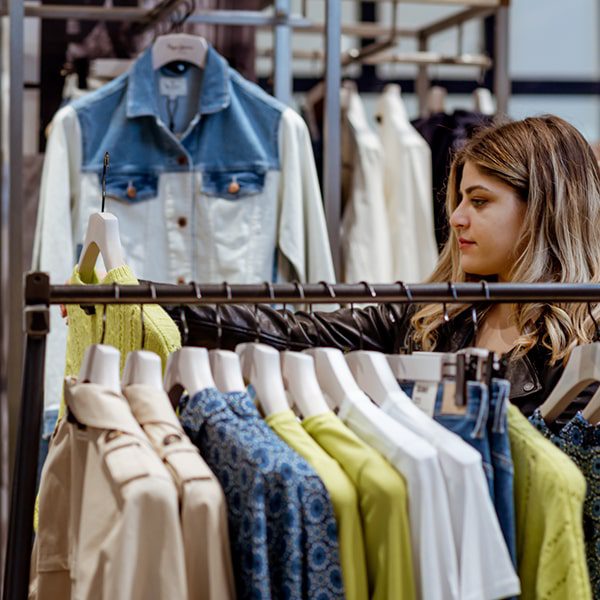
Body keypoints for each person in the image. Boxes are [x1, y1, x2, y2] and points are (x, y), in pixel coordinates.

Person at [170, 114, 600, 418]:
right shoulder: (430, 319)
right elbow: (291, 331)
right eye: (460, 199)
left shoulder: (586, 345)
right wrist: (152, 303)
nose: (456, 218)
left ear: (543, 209)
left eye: (480, 201)